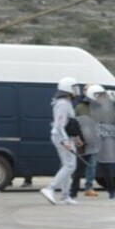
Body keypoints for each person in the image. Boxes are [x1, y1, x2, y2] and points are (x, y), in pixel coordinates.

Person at [40, 76, 79, 205]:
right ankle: (50, 188)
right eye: (74, 88)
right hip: (61, 137)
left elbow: (68, 124)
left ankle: (65, 195)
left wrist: (73, 138)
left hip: (63, 137)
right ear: (68, 89)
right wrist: (66, 141)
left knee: (66, 165)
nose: (76, 90)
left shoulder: (65, 103)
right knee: (70, 165)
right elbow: (59, 125)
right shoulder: (63, 104)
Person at [89, 85, 115, 199]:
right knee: (99, 166)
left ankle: (111, 190)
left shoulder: (104, 107)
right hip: (96, 139)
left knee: (104, 167)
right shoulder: (99, 107)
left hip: (101, 139)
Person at [69, 84, 101, 199]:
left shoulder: (96, 107)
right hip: (82, 140)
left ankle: (88, 187)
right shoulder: (80, 107)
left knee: (92, 165)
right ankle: (73, 189)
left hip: (92, 140)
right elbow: (75, 123)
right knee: (79, 167)